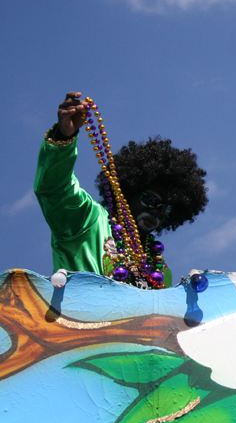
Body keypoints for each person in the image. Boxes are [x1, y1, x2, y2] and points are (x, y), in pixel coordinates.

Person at [34, 91, 208, 287]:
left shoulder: (162, 271)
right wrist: (63, 136)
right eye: (151, 200)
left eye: (165, 208)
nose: (156, 211)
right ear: (130, 191)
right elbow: (54, 188)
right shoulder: (88, 220)